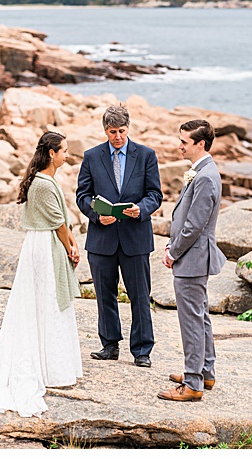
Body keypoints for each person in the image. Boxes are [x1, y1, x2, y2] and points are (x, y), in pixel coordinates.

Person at [0, 131, 84, 417]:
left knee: (48, 303)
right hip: (44, 246)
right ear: (51, 153)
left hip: (46, 242)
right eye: (64, 150)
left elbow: (62, 222)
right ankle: (49, 369)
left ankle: (52, 364)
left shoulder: (45, 180)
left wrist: (71, 243)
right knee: (47, 303)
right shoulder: (44, 184)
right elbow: (59, 224)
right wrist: (70, 247)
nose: (67, 155)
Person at [75, 104, 162, 368]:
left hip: (135, 237)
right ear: (105, 131)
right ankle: (109, 345)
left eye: (122, 131)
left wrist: (141, 209)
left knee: (139, 295)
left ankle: (142, 350)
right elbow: (82, 195)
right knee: (105, 294)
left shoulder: (146, 155)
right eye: (112, 132)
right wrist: (95, 215)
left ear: (128, 128)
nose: (118, 137)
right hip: (102, 239)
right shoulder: (91, 157)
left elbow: (155, 195)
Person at [158, 120, 224, 402]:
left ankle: (194, 383)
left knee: (192, 321)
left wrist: (173, 251)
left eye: (184, 141)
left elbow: (194, 225)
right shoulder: (203, 172)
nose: (179, 145)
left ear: (200, 144)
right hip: (195, 256)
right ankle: (205, 372)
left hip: (193, 258)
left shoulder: (206, 176)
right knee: (201, 316)